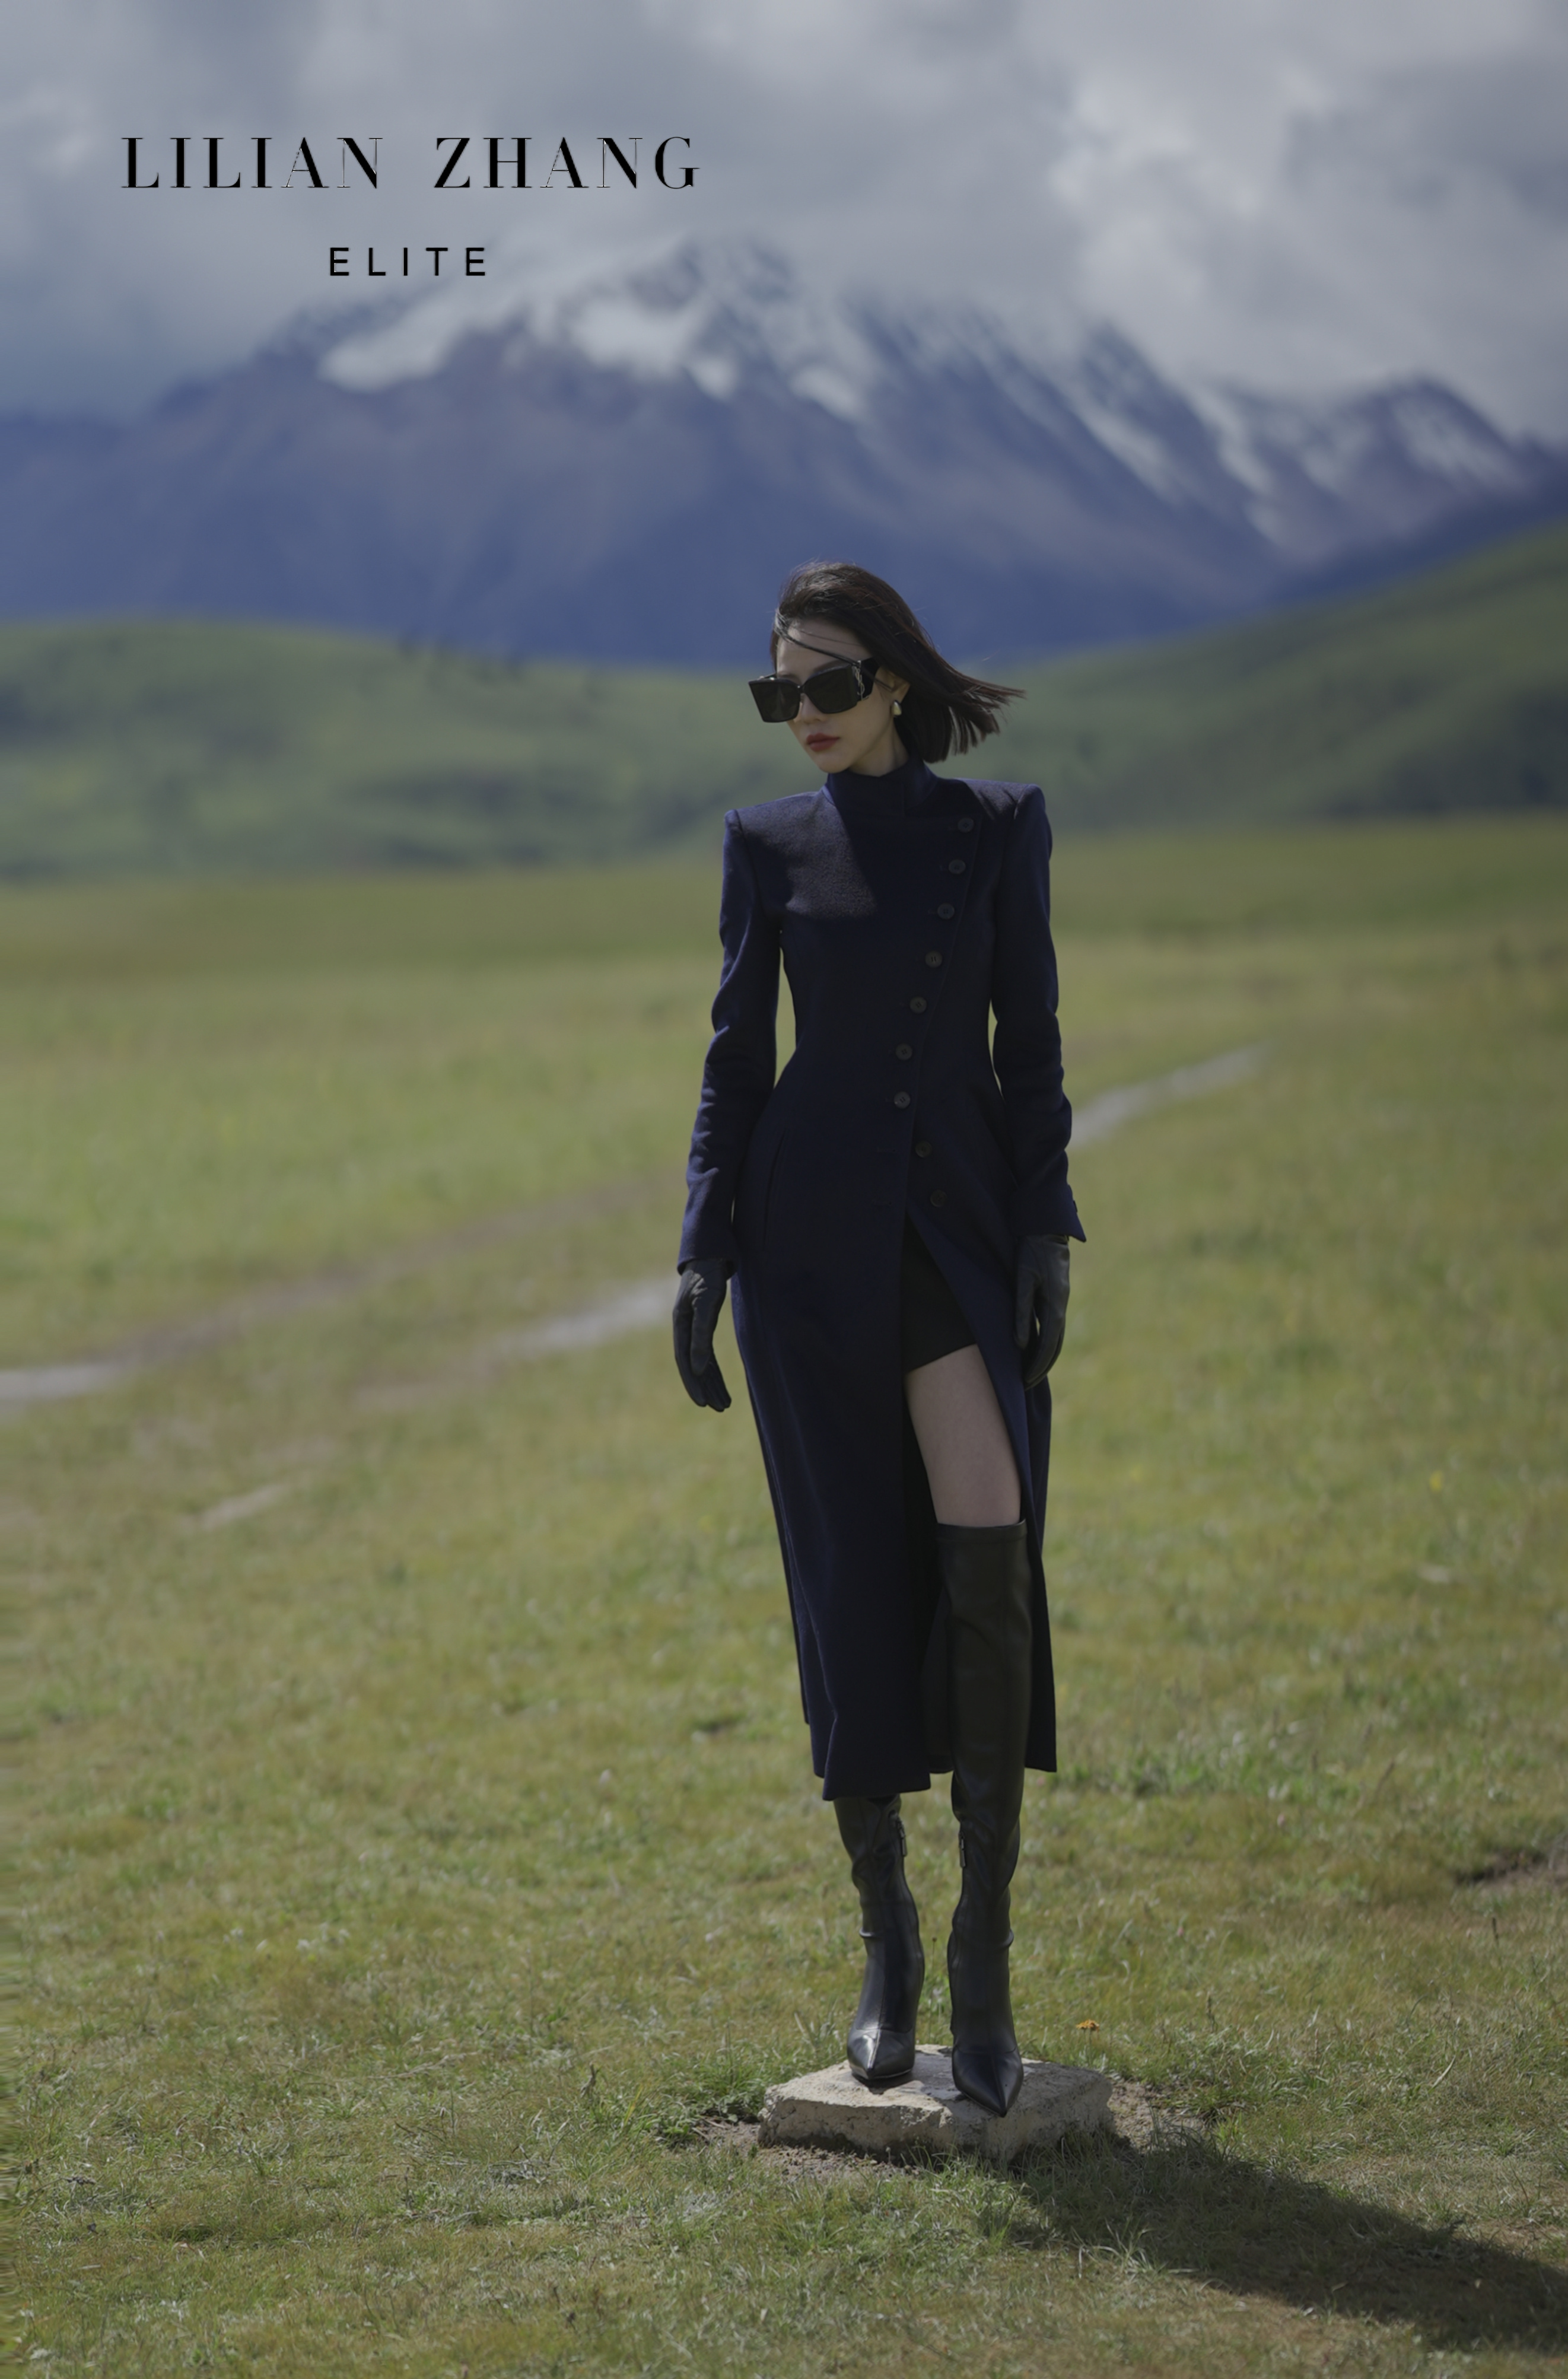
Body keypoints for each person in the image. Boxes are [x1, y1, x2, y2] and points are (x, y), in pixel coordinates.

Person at [672, 561, 1082, 2117]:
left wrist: (1043, 1228)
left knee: (991, 1548)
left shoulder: (998, 829)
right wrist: (702, 1250)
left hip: (956, 1240)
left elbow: (1031, 1043)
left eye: (829, 685)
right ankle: (888, 1942)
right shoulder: (765, 844)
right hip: (804, 1254)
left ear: (894, 680)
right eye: (779, 691)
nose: (805, 715)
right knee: (845, 1577)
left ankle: (984, 1949)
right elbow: (735, 1059)